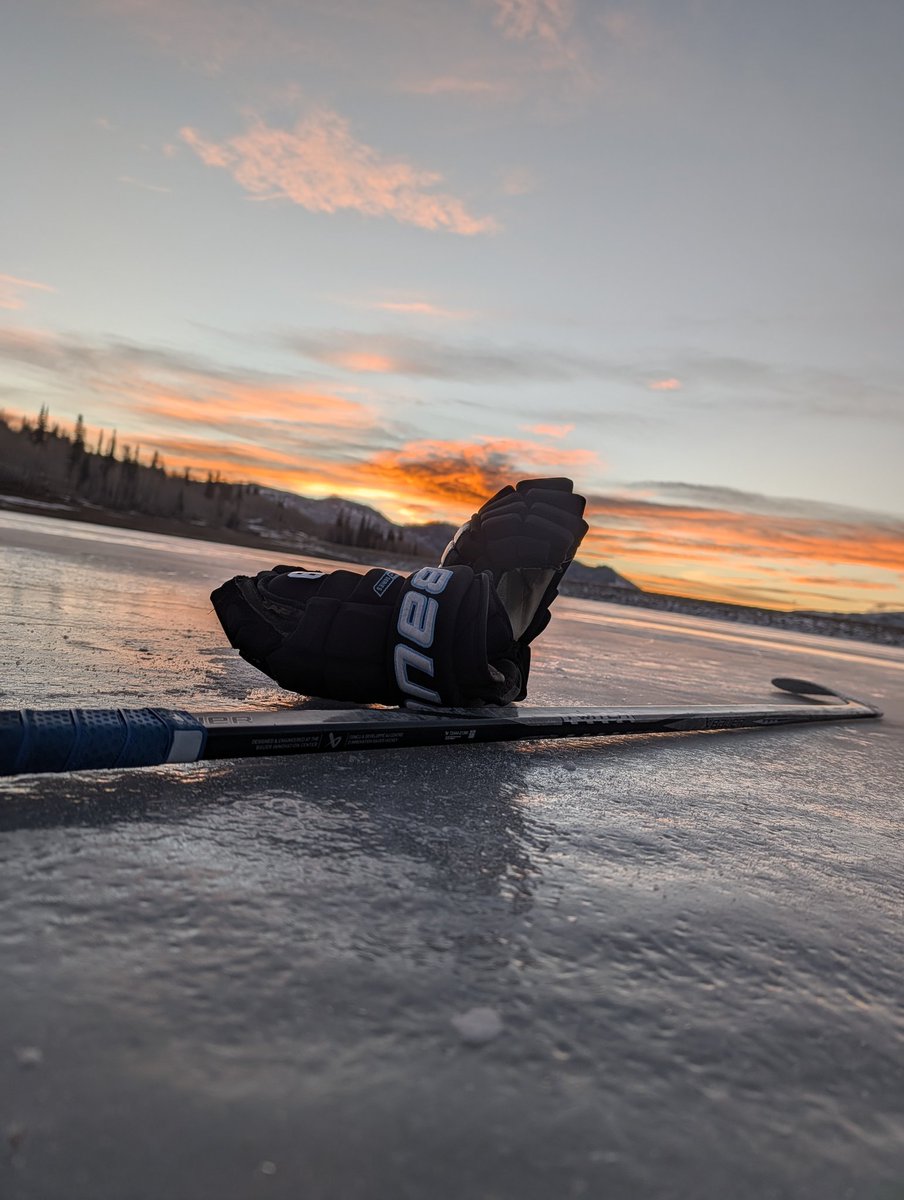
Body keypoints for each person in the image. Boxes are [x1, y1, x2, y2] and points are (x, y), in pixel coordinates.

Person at [211, 477, 588, 707]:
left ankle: (474, 634)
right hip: (453, 649)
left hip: (456, 649)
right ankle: (473, 634)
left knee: (281, 596)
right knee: (276, 596)